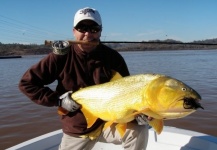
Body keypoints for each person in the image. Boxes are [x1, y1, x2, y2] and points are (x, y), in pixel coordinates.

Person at [19, 7, 150, 150]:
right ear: (74, 31)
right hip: (77, 130)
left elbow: (129, 92)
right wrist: (58, 100)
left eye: (93, 28)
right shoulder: (60, 57)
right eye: (82, 28)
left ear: (100, 31)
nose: (87, 34)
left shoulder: (113, 58)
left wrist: (140, 113)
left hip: (109, 123)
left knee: (139, 130)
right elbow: (27, 83)